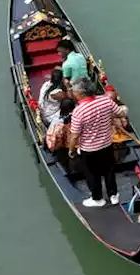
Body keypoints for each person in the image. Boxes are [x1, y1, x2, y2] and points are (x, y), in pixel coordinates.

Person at [70, 78, 121, 207]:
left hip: (89, 149)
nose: (73, 93)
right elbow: (118, 113)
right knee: (109, 169)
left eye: (74, 91)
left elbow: (75, 135)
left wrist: (71, 150)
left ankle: (97, 198)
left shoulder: (78, 111)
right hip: (106, 144)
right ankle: (113, 195)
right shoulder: (106, 100)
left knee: (92, 174)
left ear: (80, 93)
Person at [46, 98, 78, 173]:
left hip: (64, 146)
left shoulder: (57, 120)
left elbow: (53, 137)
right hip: (71, 145)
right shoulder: (76, 117)